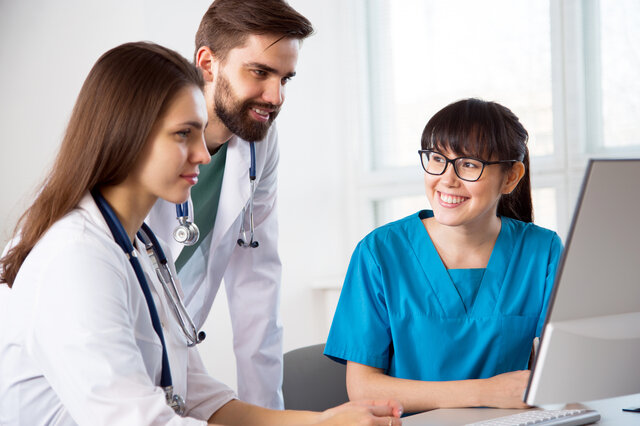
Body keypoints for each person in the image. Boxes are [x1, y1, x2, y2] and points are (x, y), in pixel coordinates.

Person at [0, 41, 403, 426]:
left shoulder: (145, 247)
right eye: (183, 134)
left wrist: (319, 421)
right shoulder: (76, 258)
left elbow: (196, 395)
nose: (204, 154)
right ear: (127, 133)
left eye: (200, 132)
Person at [324, 98, 564, 414]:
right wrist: (486, 392)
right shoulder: (380, 253)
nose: (447, 179)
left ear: (510, 177)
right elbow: (364, 389)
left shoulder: (542, 251)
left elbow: (565, 367)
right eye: (437, 158)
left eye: (468, 164)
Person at [146, 0, 312, 409]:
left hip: (166, 353)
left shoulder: (259, 143)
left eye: (285, 79)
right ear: (208, 63)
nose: (275, 97)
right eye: (260, 72)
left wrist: (268, 415)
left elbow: (258, 286)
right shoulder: (144, 132)